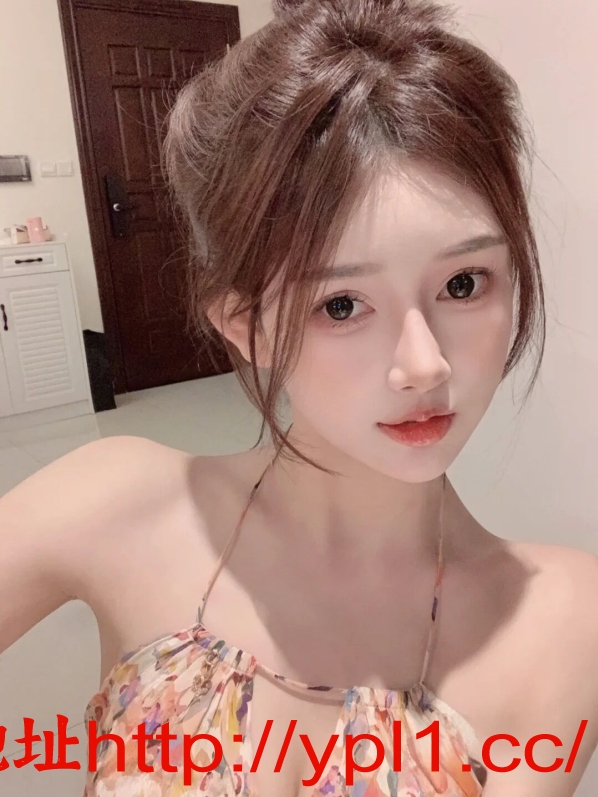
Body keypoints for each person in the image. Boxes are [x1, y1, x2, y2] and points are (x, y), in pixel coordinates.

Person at [1, 0, 596, 795]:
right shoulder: (117, 504)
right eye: (342, 304)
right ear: (243, 323)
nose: (423, 365)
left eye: (463, 283)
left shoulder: (561, 619)